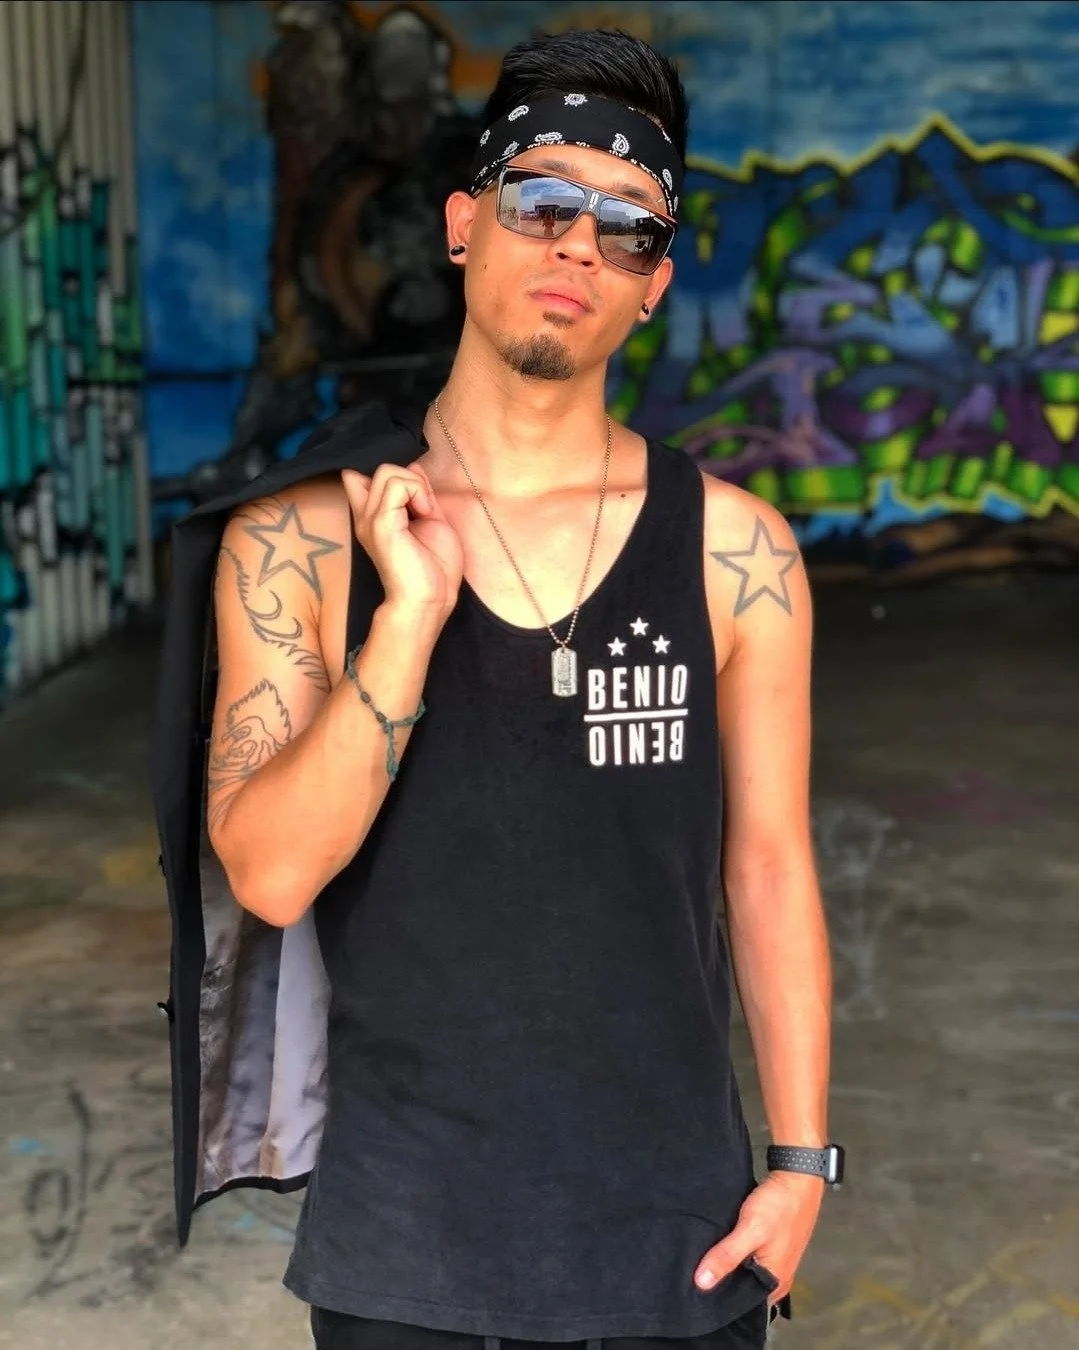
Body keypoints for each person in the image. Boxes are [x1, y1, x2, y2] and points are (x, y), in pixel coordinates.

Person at [198, 26, 838, 1350]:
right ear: (461, 222)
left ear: (654, 283)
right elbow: (266, 873)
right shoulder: (299, 541)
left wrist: (800, 1164)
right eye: (543, 201)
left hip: (680, 1239)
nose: (578, 250)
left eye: (630, 229)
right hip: (405, 1254)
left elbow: (769, 866)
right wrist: (406, 624)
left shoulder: (738, 551)